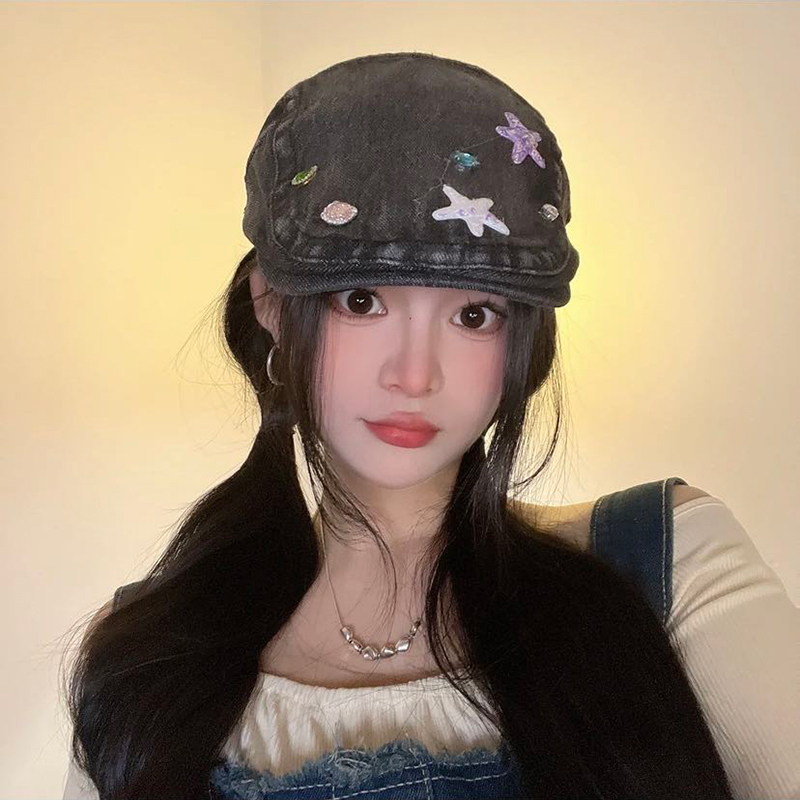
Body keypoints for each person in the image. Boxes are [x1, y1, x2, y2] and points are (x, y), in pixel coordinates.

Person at [62, 52, 800, 800]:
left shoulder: (672, 565)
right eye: (361, 301)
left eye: (474, 315)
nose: (415, 376)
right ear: (272, 306)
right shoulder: (147, 655)